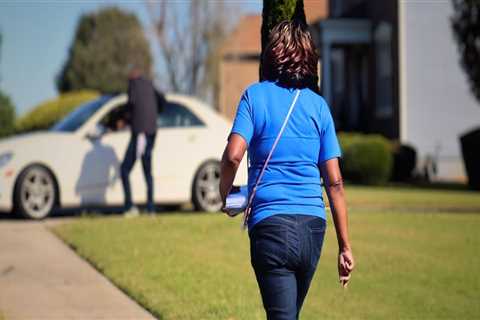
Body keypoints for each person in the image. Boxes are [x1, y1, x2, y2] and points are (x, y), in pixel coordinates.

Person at [219, 21, 355, 320]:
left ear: (271, 55)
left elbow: (232, 157)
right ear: (309, 59)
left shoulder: (254, 97)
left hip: (270, 227)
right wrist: (345, 247)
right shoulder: (319, 107)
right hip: (313, 229)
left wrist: (225, 196)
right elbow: (335, 184)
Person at [121, 67, 165, 215]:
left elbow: (131, 103)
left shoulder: (133, 85)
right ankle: (150, 208)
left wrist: (125, 119)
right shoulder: (150, 84)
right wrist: (154, 115)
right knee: (147, 171)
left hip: (140, 133)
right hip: (152, 131)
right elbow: (163, 100)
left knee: (124, 170)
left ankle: (129, 207)